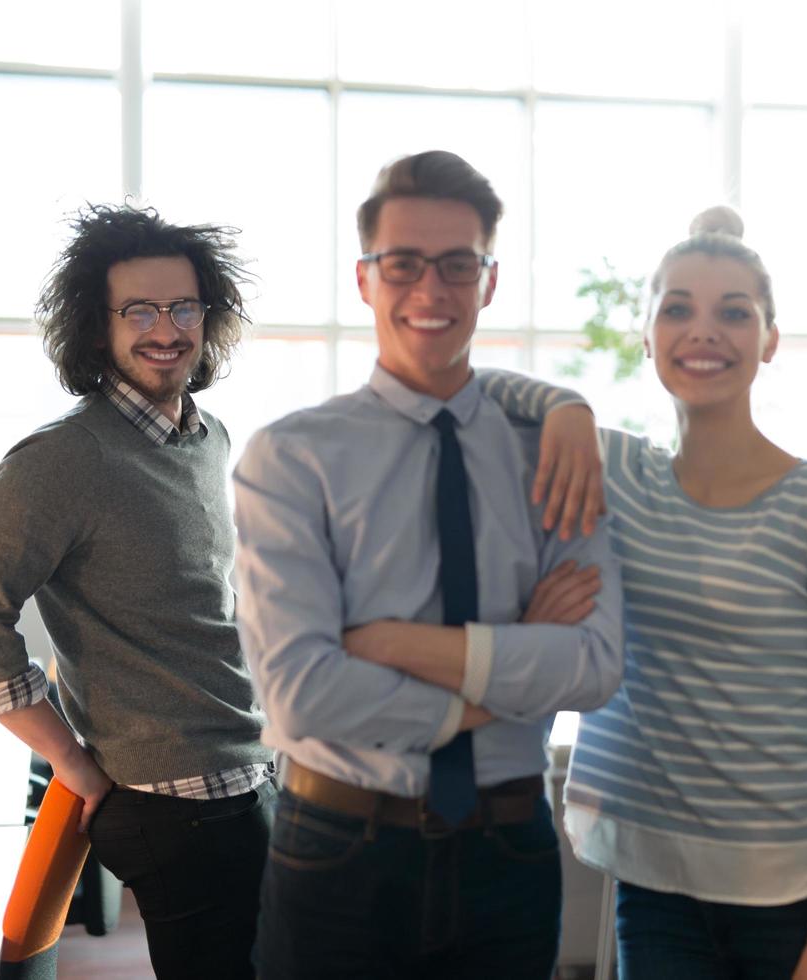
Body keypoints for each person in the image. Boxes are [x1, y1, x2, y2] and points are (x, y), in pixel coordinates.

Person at [231, 149, 624, 980]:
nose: (430, 290)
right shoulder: (292, 456)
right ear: (366, 278)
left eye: (457, 265)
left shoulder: (554, 455)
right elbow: (301, 691)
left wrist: (388, 644)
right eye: (404, 263)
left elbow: (590, 666)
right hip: (337, 851)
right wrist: (512, 660)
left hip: (509, 854)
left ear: (488, 281)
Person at [481, 205, 807, 979]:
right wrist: (565, 405)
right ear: (645, 336)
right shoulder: (615, 476)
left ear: (770, 339)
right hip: (654, 886)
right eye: (677, 310)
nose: (703, 331)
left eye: (733, 313)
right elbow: (462, 389)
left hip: (797, 899)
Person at [0, 204, 272, 978]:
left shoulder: (206, 435)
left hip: (244, 769)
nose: (166, 327)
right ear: (96, 327)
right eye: (139, 310)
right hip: (170, 797)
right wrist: (71, 763)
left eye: (185, 306)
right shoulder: (63, 459)